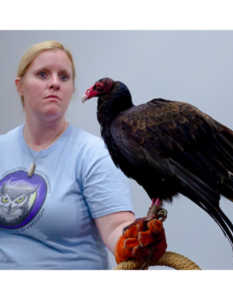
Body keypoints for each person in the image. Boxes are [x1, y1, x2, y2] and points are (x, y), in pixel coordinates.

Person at [0, 40, 136, 269]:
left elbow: (116, 228)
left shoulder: (95, 154)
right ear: (19, 85)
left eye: (64, 77)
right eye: (43, 74)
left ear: (72, 89)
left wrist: (134, 242)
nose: (54, 83)